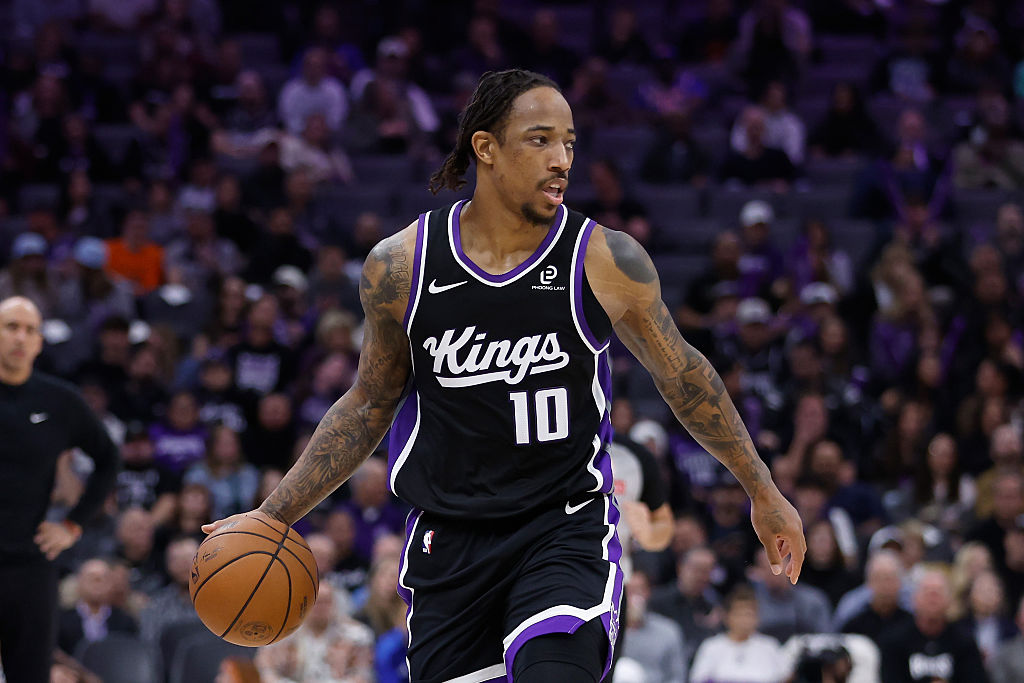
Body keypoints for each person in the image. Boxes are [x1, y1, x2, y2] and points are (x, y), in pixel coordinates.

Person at [205, 68, 805, 682]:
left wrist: (762, 488)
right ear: (485, 148)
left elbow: (684, 376)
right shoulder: (401, 266)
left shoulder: (604, 258)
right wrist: (273, 515)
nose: (563, 159)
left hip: (562, 526)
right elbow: (368, 404)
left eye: (570, 142)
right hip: (449, 545)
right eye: (541, 140)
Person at [0, 296, 119, 683]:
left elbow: (108, 458)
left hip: (31, 563)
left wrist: (71, 525)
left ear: (38, 343)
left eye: (30, 330)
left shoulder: (59, 400)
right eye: (11, 326)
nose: (20, 337)